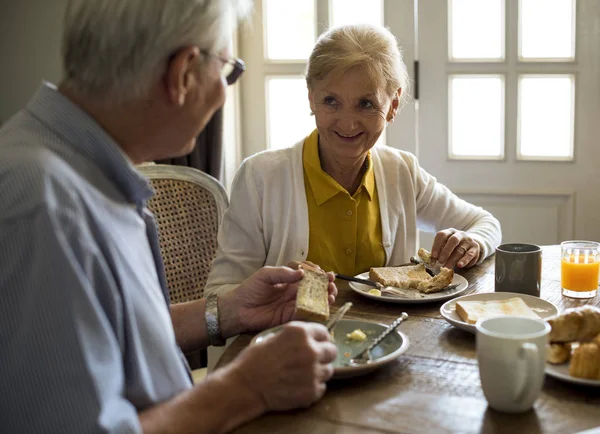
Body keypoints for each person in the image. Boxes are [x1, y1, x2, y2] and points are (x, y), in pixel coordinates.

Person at [0, 1, 339, 432]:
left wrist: (230, 311)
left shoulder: (82, 171)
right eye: (227, 71)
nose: (223, 90)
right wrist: (247, 388)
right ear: (182, 74)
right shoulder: (43, 209)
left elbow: (116, 338)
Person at [205, 24, 502, 296]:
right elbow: (219, 293)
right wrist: (274, 290)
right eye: (331, 101)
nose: (347, 124)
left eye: (366, 104)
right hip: (291, 349)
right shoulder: (260, 177)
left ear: (394, 104)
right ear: (311, 98)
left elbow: (485, 223)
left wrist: (472, 242)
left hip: (391, 344)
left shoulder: (402, 171)